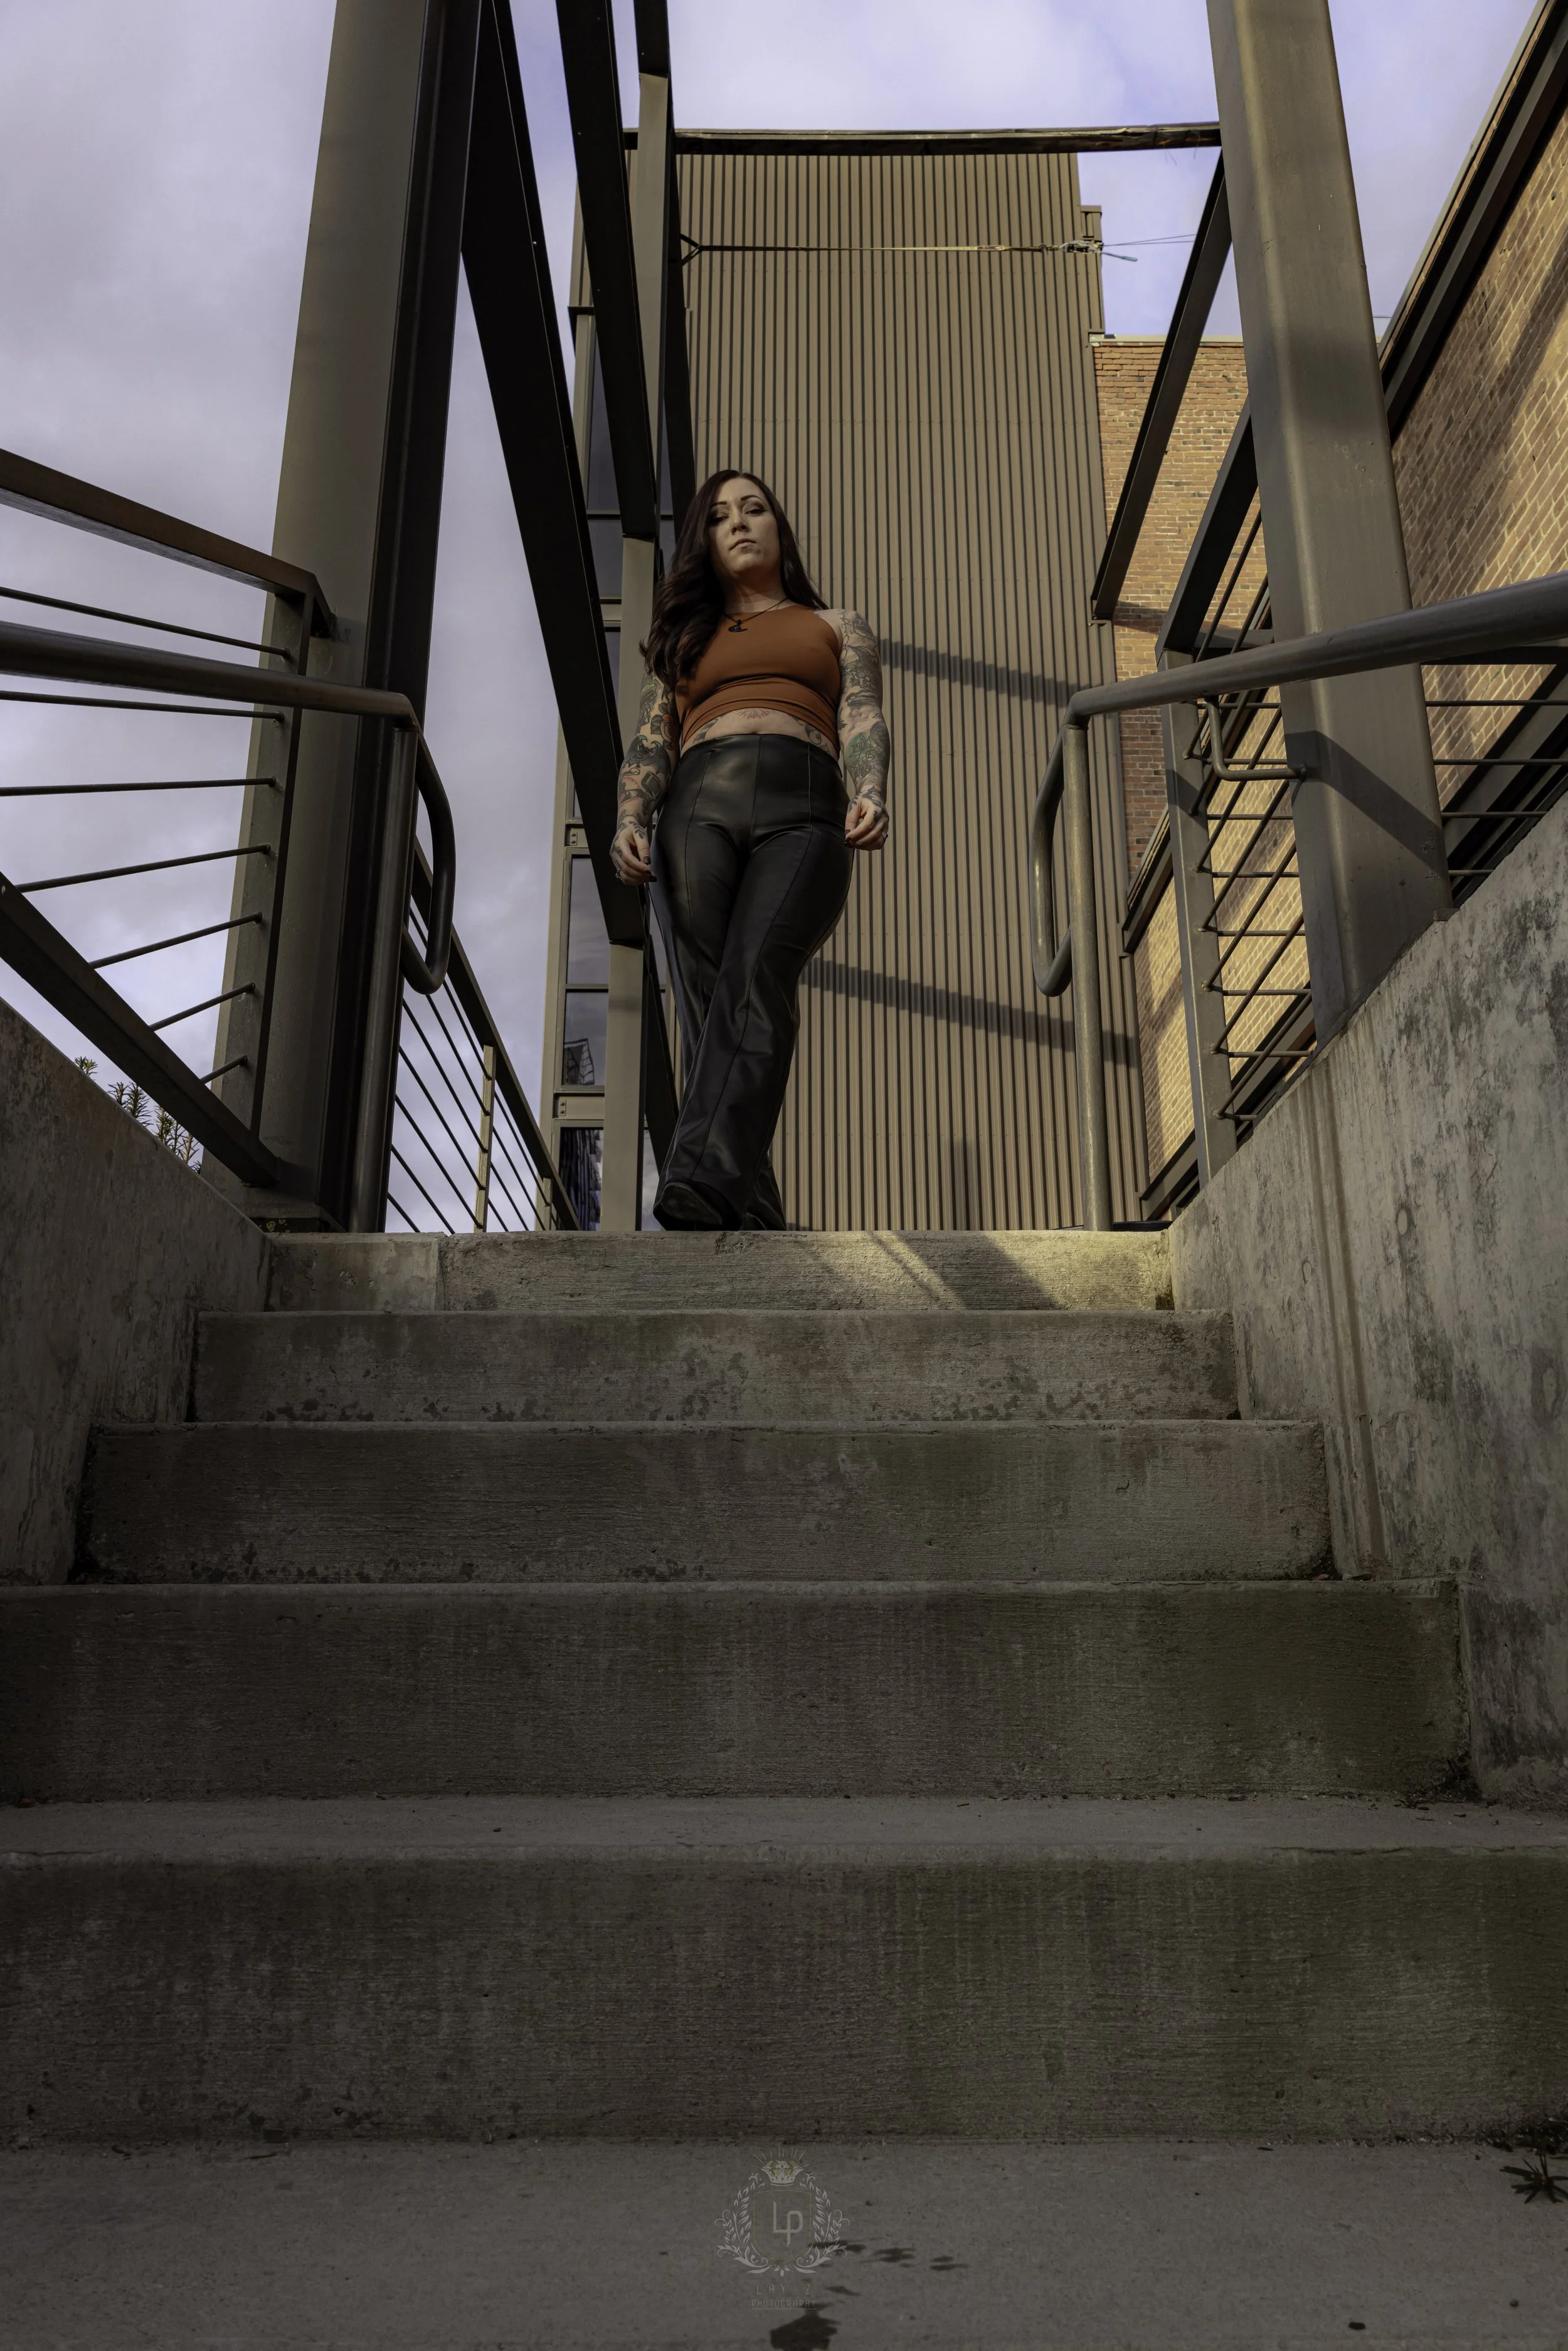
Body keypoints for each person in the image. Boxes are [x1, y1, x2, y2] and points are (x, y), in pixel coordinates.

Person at [610, 469, 890, 1231]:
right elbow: (650, 738)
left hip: (805, 803)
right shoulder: (682, 640)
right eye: (720, 516)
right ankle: (751, 1206)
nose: (739, 524)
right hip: (696, 805)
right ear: (703, 538)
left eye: (755, 510)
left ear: (778, 528)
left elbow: (862, 712)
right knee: (711, 1007)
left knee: (756, 972)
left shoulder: (837, 624)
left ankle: (695, 1177)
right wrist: (629, 816)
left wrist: (869, 788)